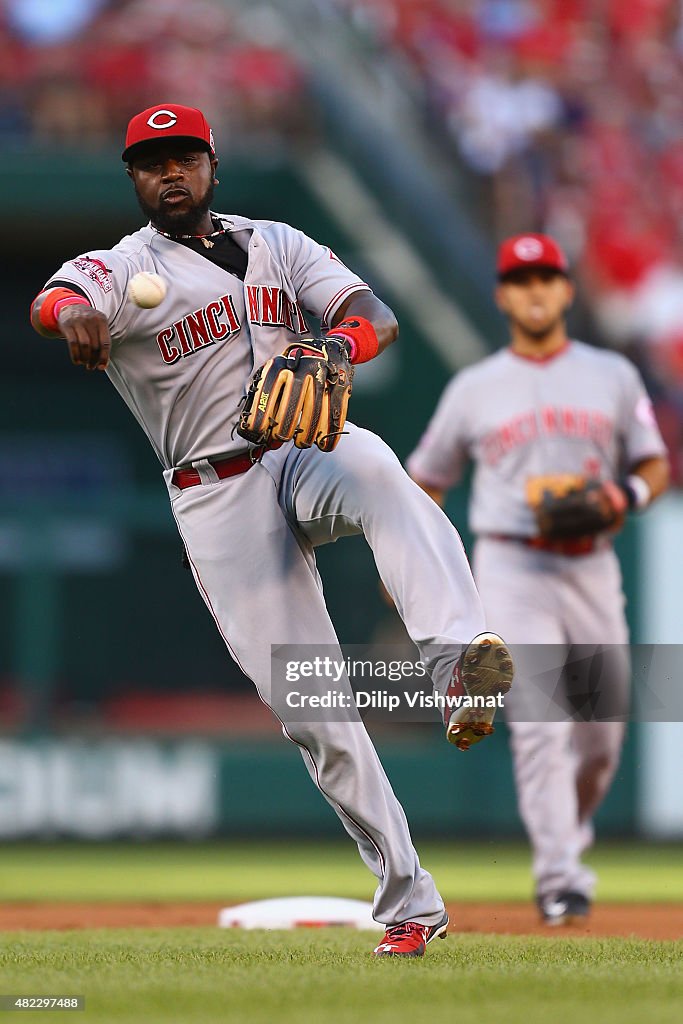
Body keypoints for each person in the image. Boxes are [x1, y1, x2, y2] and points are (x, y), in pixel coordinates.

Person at [30, 104, 513, 957]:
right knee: (314, 711)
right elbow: (62, 296)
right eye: (150, 163)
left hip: (299, 449)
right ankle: (410, 903)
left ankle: (452, 664)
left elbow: (373, 312)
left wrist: (333, 349)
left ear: (212, 164)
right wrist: (72, 316)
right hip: (213, 491)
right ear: (134, 179)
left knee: (376, 468)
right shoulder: (121, 267)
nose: (169, 173)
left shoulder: (280, 243)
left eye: (183, 157)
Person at [407, 233, 669, 925]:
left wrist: (622, 499)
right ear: (502, 295)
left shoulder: (611, 374)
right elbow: (423, 481)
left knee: (599, 736)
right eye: (519, 280)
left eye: (545, 278)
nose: (532, 290)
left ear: (564, 290)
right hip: (511, 562)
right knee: (540, 724)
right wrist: (420, 562)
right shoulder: (473, 387)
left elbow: (652, 464)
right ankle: (560, 878)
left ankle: (565, 834)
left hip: (589, 562)